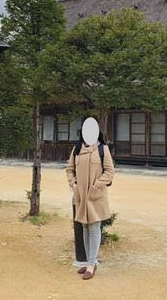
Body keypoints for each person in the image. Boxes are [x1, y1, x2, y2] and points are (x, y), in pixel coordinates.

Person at [66, 118, 114, 280]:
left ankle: (92, 264)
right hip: (80, 196)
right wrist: (73, 184)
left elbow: (109, 172)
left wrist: (96, 186)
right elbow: (69, 169)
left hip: (95, 197)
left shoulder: (103, 149)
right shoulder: (77, 149)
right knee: (85, 228)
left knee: (94, 228)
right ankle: (88, 261)